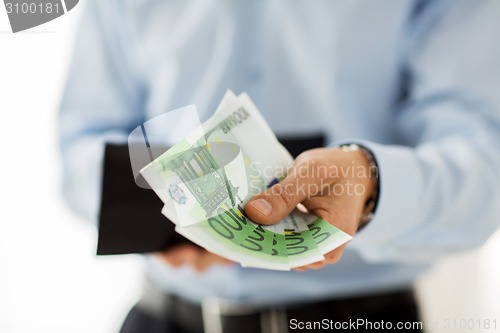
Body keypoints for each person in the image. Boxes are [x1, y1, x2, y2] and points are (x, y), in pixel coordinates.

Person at [59, 0, 500, 332]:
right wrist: (150, 210)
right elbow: (80, 144)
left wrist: (372, 182)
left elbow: (483, 166)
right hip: (162, 318)